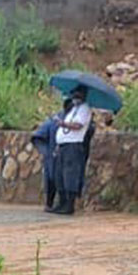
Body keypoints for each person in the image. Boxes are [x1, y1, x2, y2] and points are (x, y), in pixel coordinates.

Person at [50, 86, 92, 215]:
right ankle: (61, 203)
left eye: (78, 95)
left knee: (70, 175)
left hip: (73, 146)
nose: (75, 97)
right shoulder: (74, 109)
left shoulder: (85, 109)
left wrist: (62, 123)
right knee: (59, 175)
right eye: (74, 94)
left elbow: (77, 126)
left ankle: (69, 205)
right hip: (63, 146)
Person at [30, 99, 70, 212]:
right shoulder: (55, 119)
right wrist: (47, 152)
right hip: (53, 155)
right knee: (51, 178)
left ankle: (64, 204)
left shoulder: (73, 119)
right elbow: (37, 137)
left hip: (66, 154)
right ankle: (50, 203)